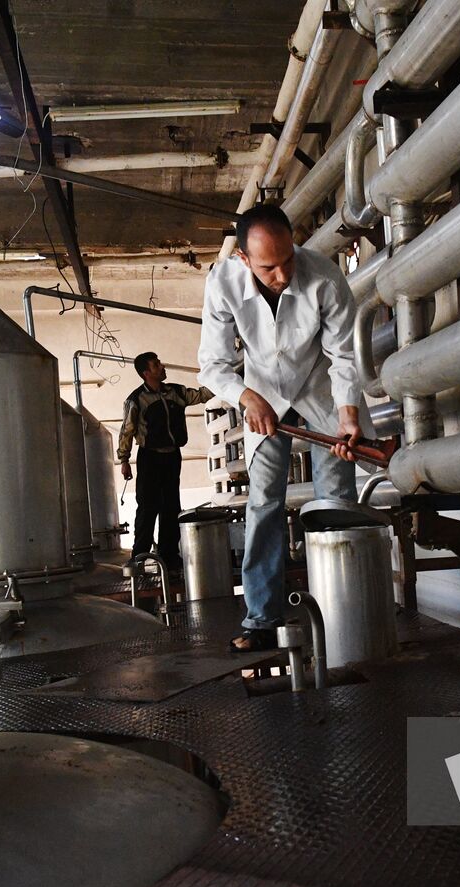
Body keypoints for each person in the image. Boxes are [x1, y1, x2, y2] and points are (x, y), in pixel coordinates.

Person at [198, 203, 370, 652]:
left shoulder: (325, 277)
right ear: (243, 259)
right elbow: (212, 366)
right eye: (268, 267)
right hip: (262, 396)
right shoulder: (222, 284)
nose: (281, 274)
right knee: (263, 505)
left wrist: (347, 415)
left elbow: (344, 356)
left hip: (319, 390)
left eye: (287, 259)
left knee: (334, 504)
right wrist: (244, 397)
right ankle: (261, 618)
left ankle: (340, 613)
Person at [117, 352, 213, 570]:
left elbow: (200, 395)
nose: (161, 366)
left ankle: (169, 554)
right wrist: (124, 459)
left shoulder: (175, 392)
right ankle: (139, 555)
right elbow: (127, 431)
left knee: (171, 506)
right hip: (149, 457)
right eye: (156, 365)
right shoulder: (136, 400)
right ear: (145, 373)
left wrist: (225, 381)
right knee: (148, 506)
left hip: (172, 456)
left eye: (159, 362)